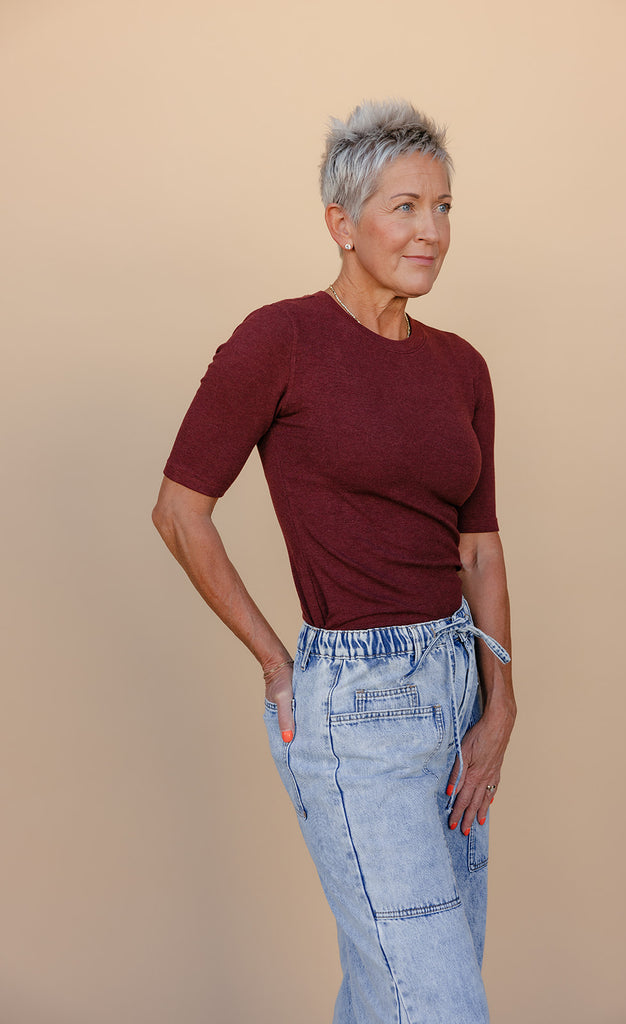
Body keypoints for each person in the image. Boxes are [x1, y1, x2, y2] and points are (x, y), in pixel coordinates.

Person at [152, 99, 516, 1024]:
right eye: (403, 207)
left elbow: (477, 546)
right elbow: (180, 511)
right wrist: (279, 664)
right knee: (433, 1001)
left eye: (442, 208)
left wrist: (500, 700)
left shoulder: (460, 366)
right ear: (340, 224)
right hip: (358, 706)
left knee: (388, 988)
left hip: (455, 687)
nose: (430, 231)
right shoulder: (280, 340)